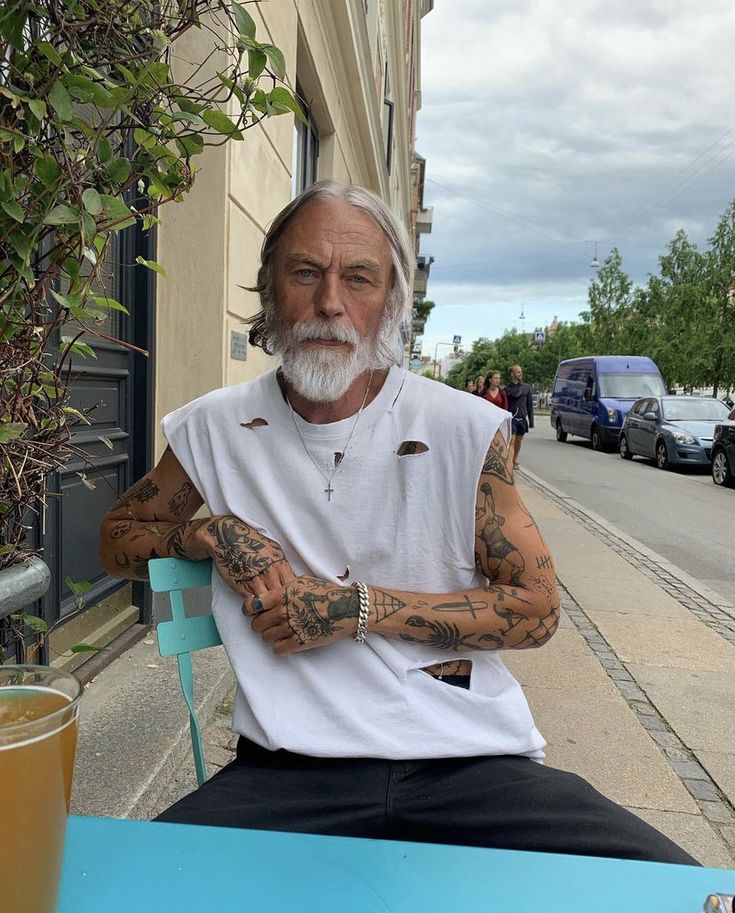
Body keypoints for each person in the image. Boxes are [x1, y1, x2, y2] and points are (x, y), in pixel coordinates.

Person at [98, 181, 695, 866]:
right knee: (122, 881)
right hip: (289, 770)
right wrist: (206, 533)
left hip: (467, 761)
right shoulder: (214, 426)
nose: (329, 302)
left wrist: (358, 608)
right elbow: (117, 537)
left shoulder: (460, 429)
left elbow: (537, 610)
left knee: (673, 885)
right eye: (304, 272)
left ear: (389, 304)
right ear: (268, 289)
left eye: (358, 278)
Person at [504, 364, 534, 469]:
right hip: (512, 419)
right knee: (512, 440)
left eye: (521, 371)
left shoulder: (526, 388)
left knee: (518, 441)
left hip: (522, 419)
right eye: (517, 371)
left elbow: (530, 405)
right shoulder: (507, 389)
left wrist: (531, 421)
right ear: (512, 374)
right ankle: (511, 461)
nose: (520, 373)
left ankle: (514, 459)